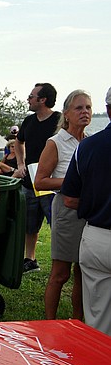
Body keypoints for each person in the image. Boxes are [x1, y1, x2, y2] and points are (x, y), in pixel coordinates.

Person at [35, 90, 91, 320]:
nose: (85, 112)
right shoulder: (56, 143)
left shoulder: (91, 142)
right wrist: (72, 181)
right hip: (66, 211)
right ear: (66, 114)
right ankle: (49, 322)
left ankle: (78, 322)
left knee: (83, 271)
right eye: (79, 108)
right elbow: (40, 181)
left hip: (89, 211)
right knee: (60, 273)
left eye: (88, 107)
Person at [62, 86, 111, 336]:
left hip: (97, 236)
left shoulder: (87, 146)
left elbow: (70, 198)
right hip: (97, 234)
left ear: (107, 110)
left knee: (99, 322)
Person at [14, 83, 60, 273]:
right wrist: (20, 164)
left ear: (43, 100)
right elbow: (18, 142)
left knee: (57, 223)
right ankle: (30, 259)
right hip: (30, 182)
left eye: (31, 96)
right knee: (30, 224)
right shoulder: (28, 121)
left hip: (52, 182)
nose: (28, 99)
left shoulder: (59, 120)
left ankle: (61, 261)